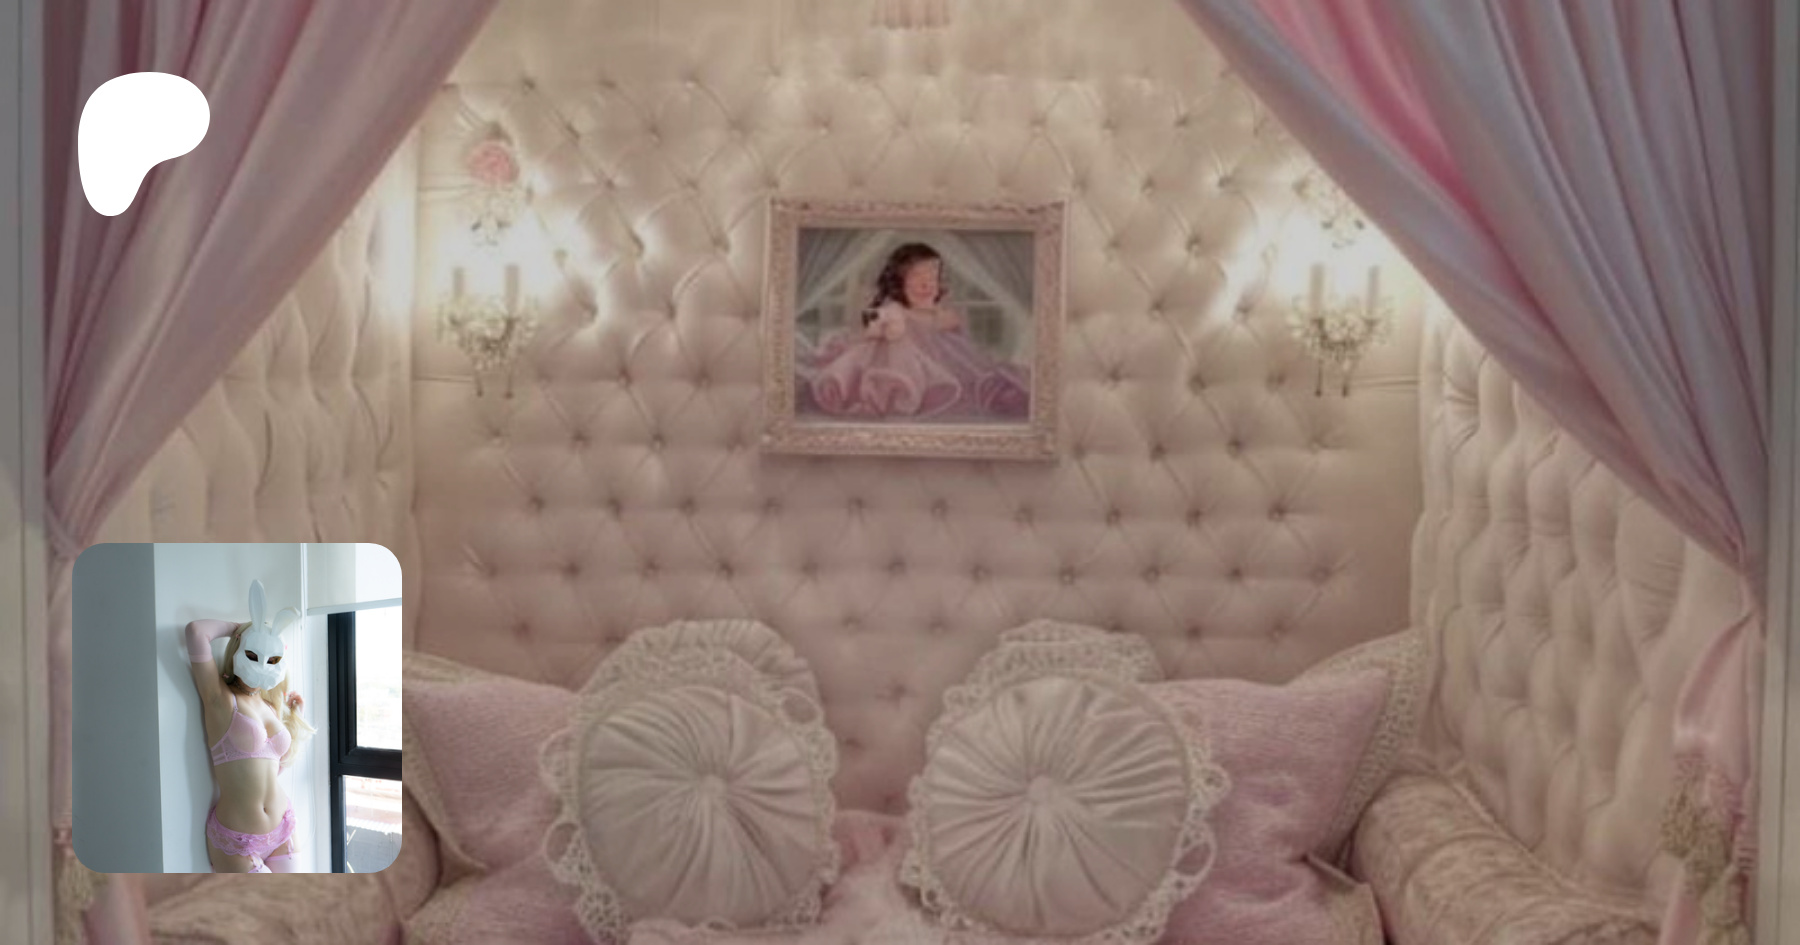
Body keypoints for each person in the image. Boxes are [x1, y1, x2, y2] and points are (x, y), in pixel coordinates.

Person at [802, 242, 1030, 420]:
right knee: (894, 350)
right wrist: (885, 324)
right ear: (899, 281)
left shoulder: (939, 313)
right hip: (895, 365)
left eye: (932, 277)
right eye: (916, 277)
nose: (926, 284)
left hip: (940, 366)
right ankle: (893, 394)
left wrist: (940, 318)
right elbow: (868, 327)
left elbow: (955, 335)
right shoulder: (892, 309)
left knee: (977, 381)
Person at [183, 580, 315, 872]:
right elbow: (196, 632)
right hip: (237, 841)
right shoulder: (219, 699)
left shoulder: (270, 706)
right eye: (253, 654)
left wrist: (295, 716)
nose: (262, 664)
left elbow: (271, 768)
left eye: (272, 658)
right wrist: (241, 629)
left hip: (283, 827)